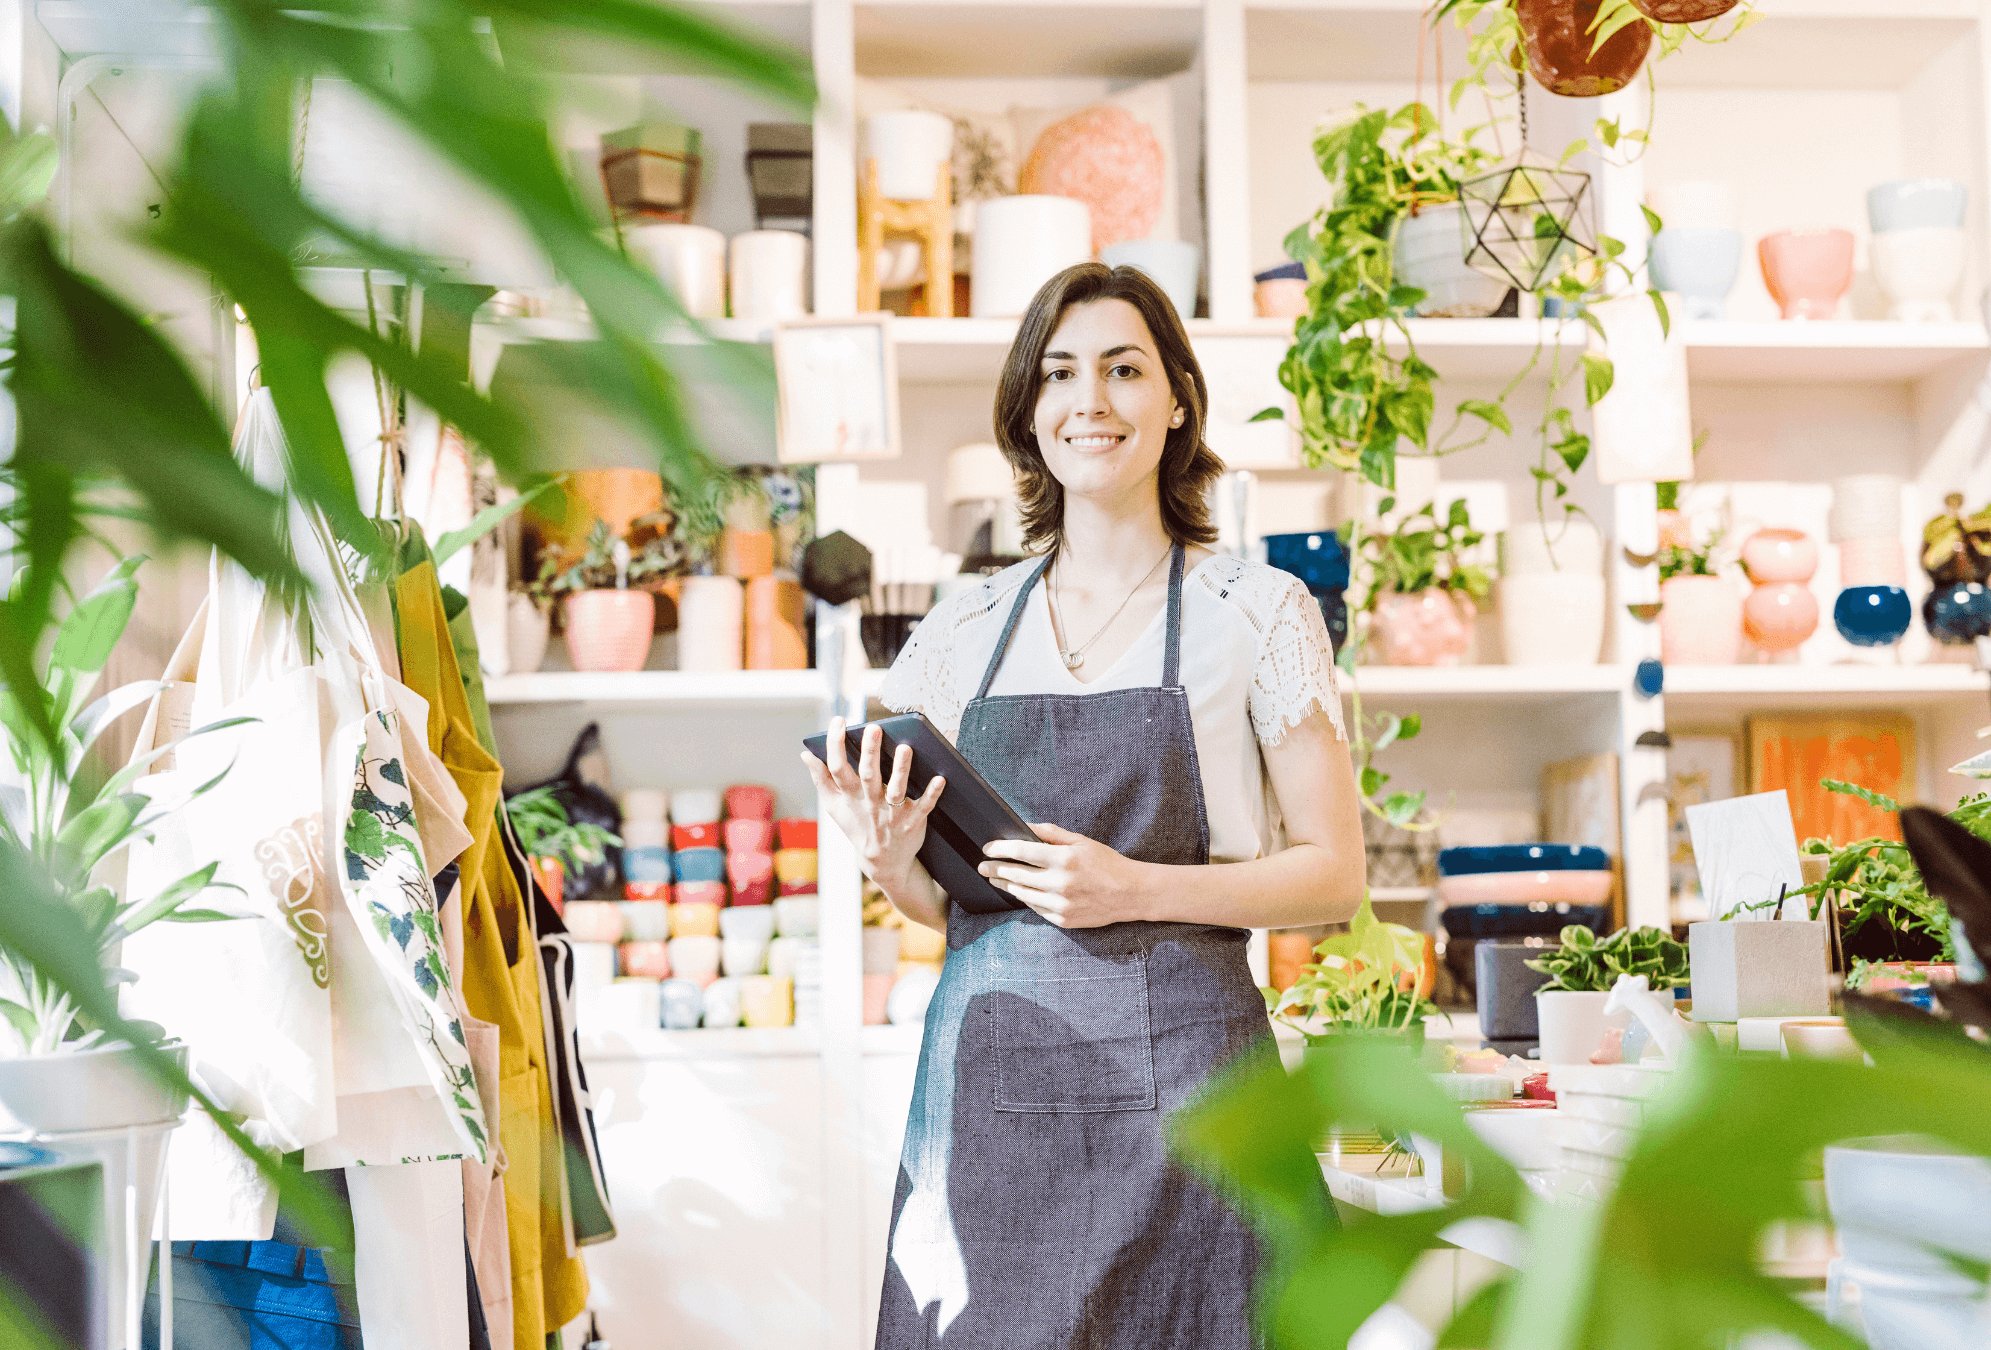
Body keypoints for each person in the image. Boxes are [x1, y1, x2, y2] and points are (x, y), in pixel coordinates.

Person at [801, 261, 1366, 1349]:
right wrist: (886, 859)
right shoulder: (960, 631)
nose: (1089, 401)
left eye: (1121, 370)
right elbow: (953, 909)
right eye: (1058, 374)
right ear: (1027, 411)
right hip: (994, 1111)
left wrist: (1132, 887)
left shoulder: (1255, 610)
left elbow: (1331, 872)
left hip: (1197, 1100)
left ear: (1175, 403)